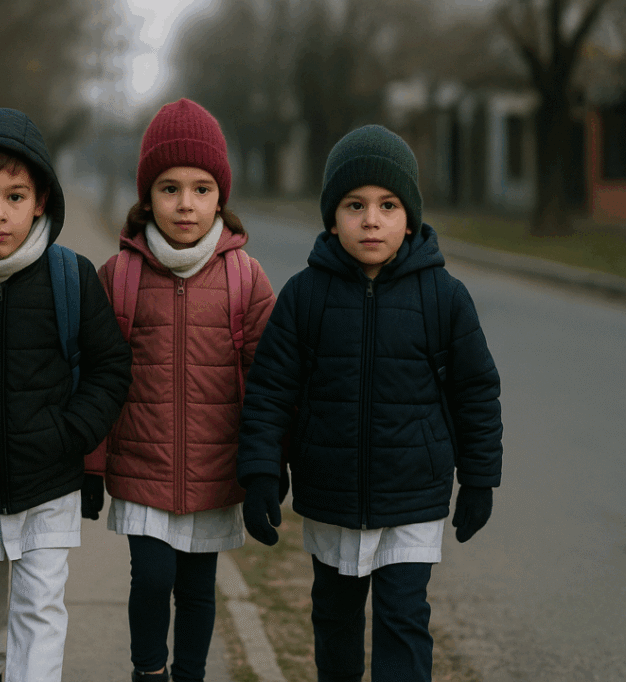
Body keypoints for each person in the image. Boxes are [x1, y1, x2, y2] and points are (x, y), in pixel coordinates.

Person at [238, 124, 503, 682]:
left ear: (410, 216)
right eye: (354, 205)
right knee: (334, 622)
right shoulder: (304, 296)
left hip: (413, 500)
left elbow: (476, 392)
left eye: (388, 205)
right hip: (331, 496)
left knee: (404, 622)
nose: (372, 220)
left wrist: (480, 479)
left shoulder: (444, 298)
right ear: (332, 217)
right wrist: (261, 471)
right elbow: (270, 391)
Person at [0, 107, 132, 682]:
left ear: (41, 199)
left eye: (15, 196)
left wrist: (70, 434)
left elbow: (110, 368)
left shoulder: (71, 277)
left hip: (48, 484)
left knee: (39, 612)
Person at [85, 98, 276, 682]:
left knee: (197, 587)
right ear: (148, 197)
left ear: (221, 196)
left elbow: (268, 382)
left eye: (201, 188)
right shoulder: (120, 277)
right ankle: (149, 672)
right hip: (142, 468)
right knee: (152, 578)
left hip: (215, 470)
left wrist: (266, 466)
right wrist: (91, 465)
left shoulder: (246, 279)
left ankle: (189, 674)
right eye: (170, 188)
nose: (186, 203)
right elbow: (96, 376)